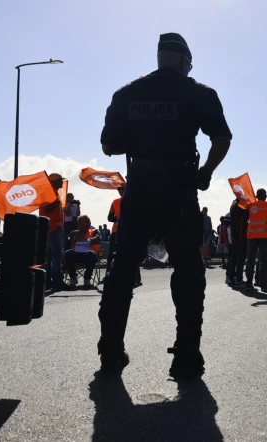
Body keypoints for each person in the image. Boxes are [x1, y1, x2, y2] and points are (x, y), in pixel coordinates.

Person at [98, 32, 232, 377]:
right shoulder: (199, 92)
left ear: (160, 58)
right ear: (184, 61)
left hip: (139, 186)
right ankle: (187, 354)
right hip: (179, 188)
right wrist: (205, 172)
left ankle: (110, 350)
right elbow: (221, 137)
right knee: (188, 270)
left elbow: (108, 146)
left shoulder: (128, 93)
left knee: (123, 268)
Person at [39, 173, 67, 292]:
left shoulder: (52, 193)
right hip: (52, 229)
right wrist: (56, 202)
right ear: (54, 181)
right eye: (60, 180)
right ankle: (57, 281)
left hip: (52, 228)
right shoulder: (48, 193)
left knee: (49, 257)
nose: (62, 182)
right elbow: (47, 209)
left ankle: (48, 282)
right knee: (55, 257)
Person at [244, 189, 267, 290]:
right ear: (265, 196)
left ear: (256, 196)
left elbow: (245, 219)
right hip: (265, 236)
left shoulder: (250, 205)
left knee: (251, 260)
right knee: (264, 261)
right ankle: (263, 284)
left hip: (252, 236)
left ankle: (249, 283)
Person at [65, 215, 101, 288]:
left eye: (89, 221)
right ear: (79, 223)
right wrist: (80, 231)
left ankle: (87, 279)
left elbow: (97, 239)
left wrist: (87, 241)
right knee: (68, 253)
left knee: (92, 254)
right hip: (76, 254)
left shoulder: (95, 231)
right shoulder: (74, 232)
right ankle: (73, 278)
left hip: (89, 255)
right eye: (86, 221)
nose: (89, 222)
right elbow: (75, 240)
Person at [227, 198, 248, 286]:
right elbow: (240, 220)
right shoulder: (240, 204)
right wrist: (242, 235)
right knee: (240, 258)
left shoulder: (233, 204)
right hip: (240, 235)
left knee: (234, 257)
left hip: (235, 234)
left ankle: (231, 278)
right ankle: (238, 278)